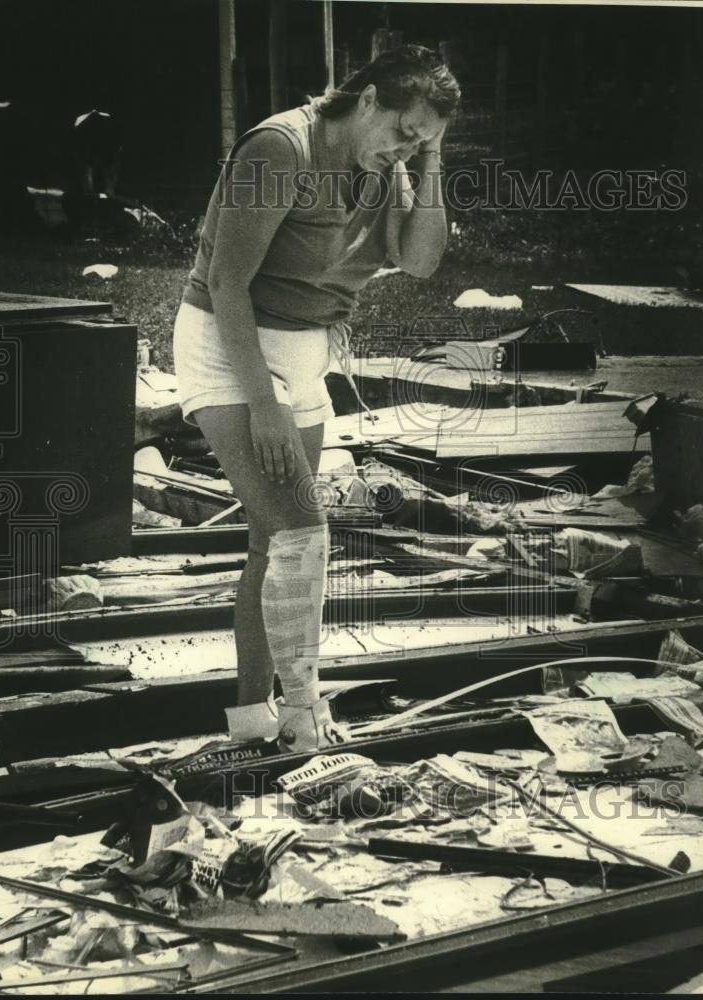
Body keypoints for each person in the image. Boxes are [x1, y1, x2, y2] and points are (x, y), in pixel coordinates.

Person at [173, 45, 460, 751]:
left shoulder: (382, 170)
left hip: (302, 352)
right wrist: (261, 402)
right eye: (402, 130)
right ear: (367, 101)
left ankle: (249, 723)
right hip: (229, 340)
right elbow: (228, 285)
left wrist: (430, 157)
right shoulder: (281, 147)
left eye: (419, 140)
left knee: (272, 541)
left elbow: (422, 260)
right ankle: (302, 718)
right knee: (304, 535)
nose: (404, 148)